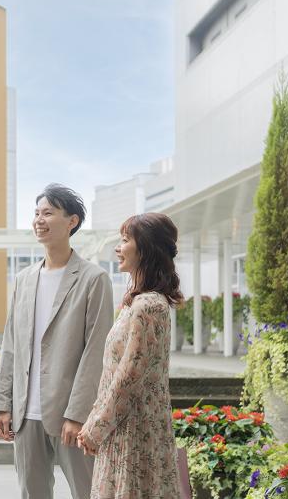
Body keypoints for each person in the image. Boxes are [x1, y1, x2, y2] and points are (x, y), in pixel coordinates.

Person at [0, 183, 114, 499]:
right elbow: (10, 345)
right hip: (24, 415)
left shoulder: (93, 279)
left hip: (70, 416)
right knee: (32, 493)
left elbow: (95, 352)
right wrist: (3, 404)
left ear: (71, 221)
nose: (39, 220)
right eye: (36, 213)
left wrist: (77, 414)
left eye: (48, 213)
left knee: (87, 492)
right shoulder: (23, 279)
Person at [77, 212, 183, 498]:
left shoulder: (148, 306)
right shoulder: (138, 302)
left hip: (133, 435)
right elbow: (114, 373)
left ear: (145, 248)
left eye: (125, 240)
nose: (117, 247)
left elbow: (129, 377)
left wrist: (96, 427)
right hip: (124, 428)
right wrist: (94, 421)